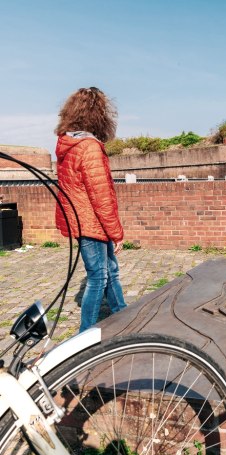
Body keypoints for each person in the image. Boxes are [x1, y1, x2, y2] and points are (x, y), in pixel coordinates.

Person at [54, 87, 127, 332]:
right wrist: (116, 233)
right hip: (92, 222)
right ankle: (84, 334)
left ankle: (122, 314)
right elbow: (101, 196)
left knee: (110, 271)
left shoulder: (68, 144)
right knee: (98, 277)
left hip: (82, 220)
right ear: (98, 114)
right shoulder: (89, 147)